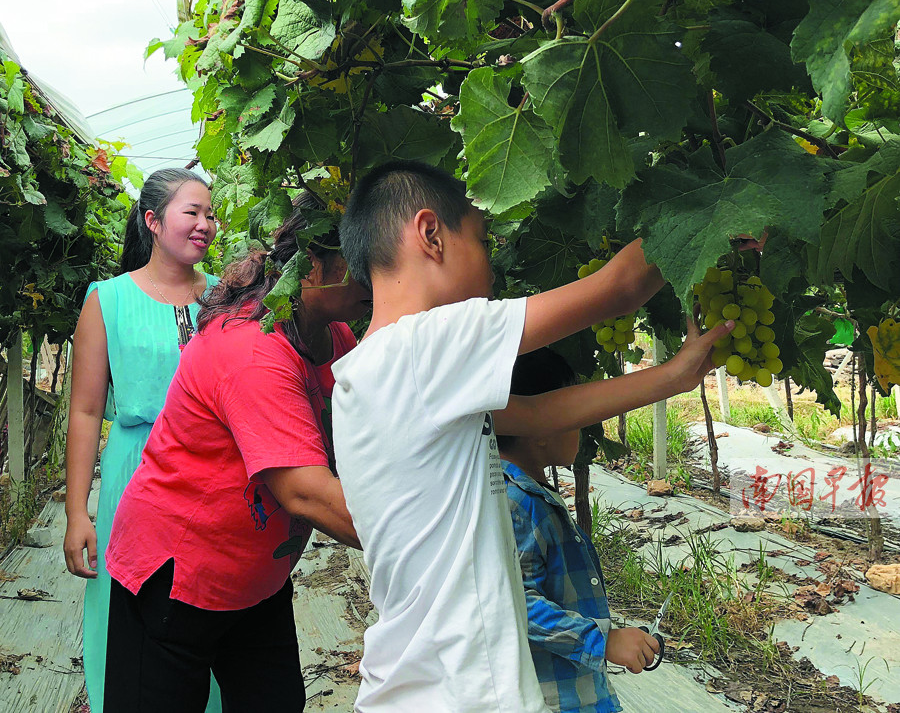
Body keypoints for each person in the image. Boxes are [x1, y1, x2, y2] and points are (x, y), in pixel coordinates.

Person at [331, 161, 733, 713]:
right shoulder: (425, 345)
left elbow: (540, 415)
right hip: (462, 697)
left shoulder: (369, 375)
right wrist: (719, 200)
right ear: (430, 235)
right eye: (481, 239)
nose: (491, 264)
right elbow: (618, 289)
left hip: (409, 689)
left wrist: (673, 377)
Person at [100, 198, 372, 712]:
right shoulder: (252, 348)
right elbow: (304, 492)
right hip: (178, 576)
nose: (381, 278)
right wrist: (425, 542)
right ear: (313, 264)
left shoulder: (331, 334)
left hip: (256, 581)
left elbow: (372, 420)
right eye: (366, 263)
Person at [64, 167, 219, 713]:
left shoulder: (227, 299)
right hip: (136, 475)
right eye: (192, 213)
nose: (206, 224)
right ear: (153, 221)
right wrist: (76, 513)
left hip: (214, 477)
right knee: (130, 609)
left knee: (210, 607)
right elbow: (84, 411)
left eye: (210, 214)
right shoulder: (106, 299)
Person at [500, 348, 644, 713]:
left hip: (574, 691)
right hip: (554, 700)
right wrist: (602, 641)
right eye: (575, 415)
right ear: (541, 429)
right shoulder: (516, 503)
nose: (583, 426)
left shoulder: (530, 493)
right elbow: (515, 603)